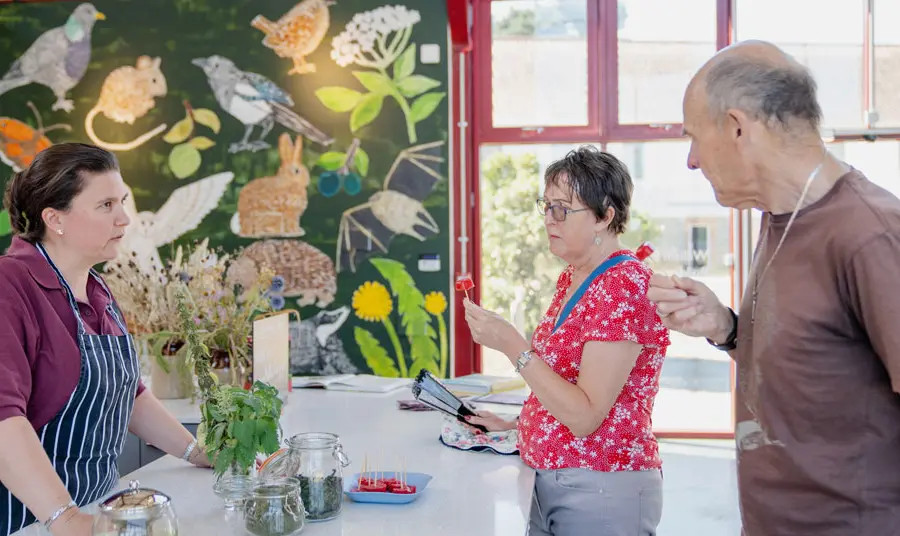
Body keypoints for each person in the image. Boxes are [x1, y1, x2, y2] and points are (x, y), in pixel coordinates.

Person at [648, 40, 900, 535]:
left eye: (694, 137)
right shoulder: (778, 219)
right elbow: (819, 369)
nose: (692, 161)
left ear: (738, 127)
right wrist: (726, 329)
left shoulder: (871, 234)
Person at [0, 143, 212, 536]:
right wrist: (63, 518)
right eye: (106, 205)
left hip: (96, 508)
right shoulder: (10, 285)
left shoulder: (97, 289)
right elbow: (3, 420)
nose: (125, 219)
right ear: (55, 219)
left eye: (123, 202)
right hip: (27, 522)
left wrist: (194, 450)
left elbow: (128, 395)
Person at [462, 146, 670, 536]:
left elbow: (585, 415)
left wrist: (511, 344)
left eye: (563, 209)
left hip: (600, 485)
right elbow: (559, 385)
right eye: (546, 206)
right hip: (556, 478)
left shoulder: (622, 286)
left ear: (605, 216)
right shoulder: (575, 277)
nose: (549, 220)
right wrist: (516, 423)